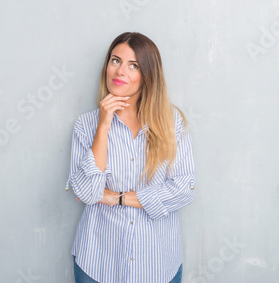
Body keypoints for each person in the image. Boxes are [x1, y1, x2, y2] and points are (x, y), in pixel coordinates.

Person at [65, 32, 195, 283]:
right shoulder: (85, 125)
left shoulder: (171, 123)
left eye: (133, 65)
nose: (120, 71)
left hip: (157, 264)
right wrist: (103, 126)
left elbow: (184, 189)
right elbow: (88, 193)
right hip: (98, 262)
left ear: (147, 75)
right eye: (115, 61)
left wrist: (118, 198)